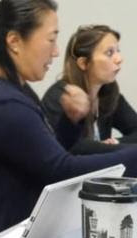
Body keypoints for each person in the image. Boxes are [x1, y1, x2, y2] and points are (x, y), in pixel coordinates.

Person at [0, 0, 137, 234]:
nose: (56, 51)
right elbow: (61, 172)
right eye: (51, 39)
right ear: (14, 41)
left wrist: (70, 123)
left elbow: (46, 158)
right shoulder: (1, 103)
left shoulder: (11, 92)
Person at [42, 24, 137, 154]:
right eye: (109, 53)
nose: (119, 59)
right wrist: (111, 149)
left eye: (117, 51)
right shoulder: (60, 96)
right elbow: (74, 147)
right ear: (83, 63)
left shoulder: (109, 93)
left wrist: (116, 142)